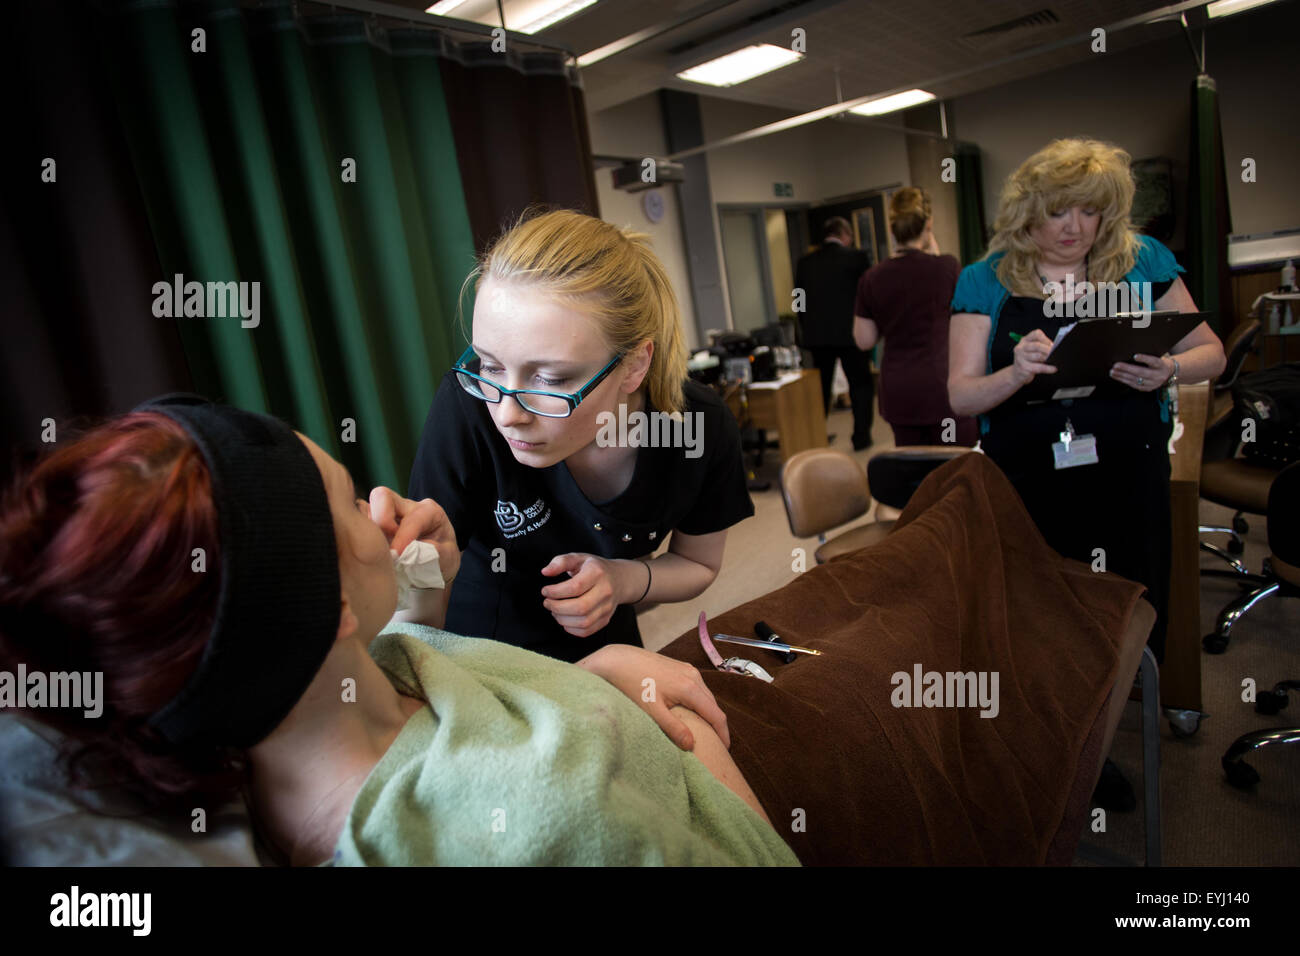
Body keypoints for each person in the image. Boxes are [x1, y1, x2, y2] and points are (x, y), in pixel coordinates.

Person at [0, 399, 1149, 866]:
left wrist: (527, 648)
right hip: (736, 762)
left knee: (894, 577)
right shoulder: (541, 816)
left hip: (642, 687)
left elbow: (373, 684)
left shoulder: (268, 721)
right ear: (326, 609)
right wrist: (701, 762)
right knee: (933, 582)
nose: (386, 505)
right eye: (354, 499)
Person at [946, 138, 1226, 808]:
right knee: (1041, 616)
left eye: (1091, 213)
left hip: (1128, 472)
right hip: (1032, 481)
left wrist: (1171, 370)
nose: (1075, 228)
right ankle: (1062, 750)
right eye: (1059, 212)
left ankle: (1097, 736)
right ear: (1028, 213)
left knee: (1128, 605)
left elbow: (1210, 351)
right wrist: (1012, 373)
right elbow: (959, 396)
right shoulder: (985, 278)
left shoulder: (1143, 261)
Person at [407, 209, 754, 663]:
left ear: (634, 365)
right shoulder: (469, 403)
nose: (507, 413)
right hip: (484, 648)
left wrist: (621, 578)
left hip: (607, 638)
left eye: (550, 379)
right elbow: (420, 604)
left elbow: (699, 563)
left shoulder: (694, 428)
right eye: (490, 365)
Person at [852, 188, 976, 447]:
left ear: (892, 227)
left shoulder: (872, 277)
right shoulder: (947, 267)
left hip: (900, 392)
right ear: (928, 225)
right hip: (942, 386)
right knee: (957, 470)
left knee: (915, 474)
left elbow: (864, 340)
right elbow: (968, 319)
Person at [794, 216, 875, 449]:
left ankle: (816, 436)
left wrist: (805, 325)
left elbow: (798, 299)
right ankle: (861, 437)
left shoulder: (805, 262)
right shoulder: (858, 258)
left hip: (818, 337)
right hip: (851, 335)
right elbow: (868, 296)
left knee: (820, 390)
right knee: (860, 385)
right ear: (845, 235)